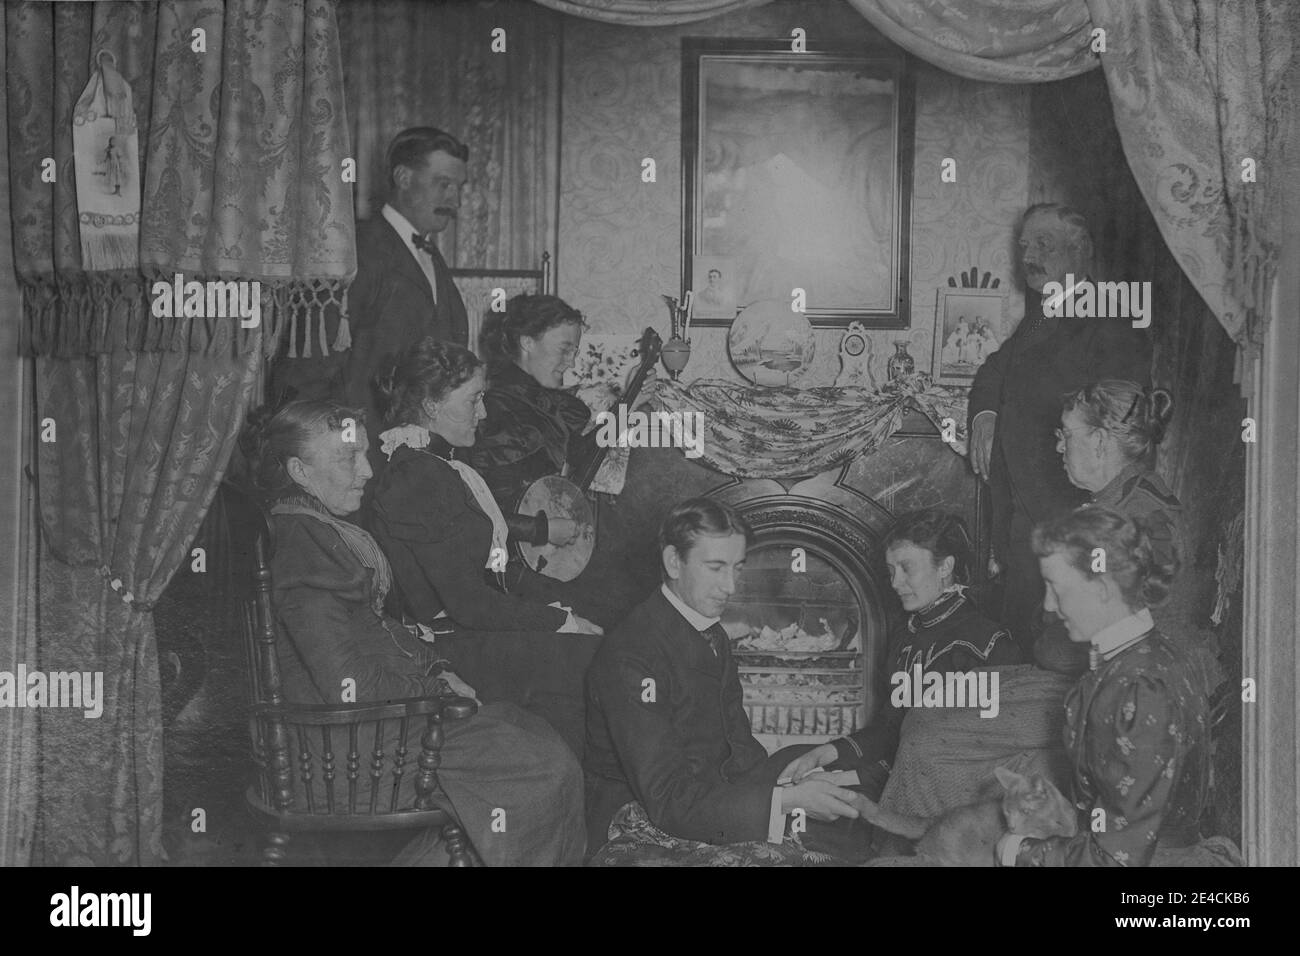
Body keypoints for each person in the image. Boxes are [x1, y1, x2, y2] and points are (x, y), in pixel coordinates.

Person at [241, 397, 586, 866]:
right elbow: (348, 685)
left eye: (365, 453)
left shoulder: (313, 527)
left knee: (524, 731)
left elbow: (380, 629)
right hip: (343, 752)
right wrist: (433, 692)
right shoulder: (305, 545)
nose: (365, 470)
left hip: (363, 733)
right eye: (348, 458)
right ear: (300, 470)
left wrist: (439, 669)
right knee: (542, 766)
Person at [584, 497, 868, 865]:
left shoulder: (711, 633)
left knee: (851, 817)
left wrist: (795, 779)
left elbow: (739, 748)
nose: (730, 586)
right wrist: (785, 802)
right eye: (715, 567)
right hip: (639, 818)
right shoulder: (632, 654)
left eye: (736, 568)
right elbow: (668, 800)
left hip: (705, 797)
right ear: (674, 561)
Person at [363, 337, 603, 762]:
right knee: (588, 660)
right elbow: (469, 604)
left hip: (471, 633)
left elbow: (498, 570)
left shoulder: (442, 468)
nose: (485, 412)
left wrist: (564, 604)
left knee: (600, 625)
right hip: (449, 649)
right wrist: (560, 622)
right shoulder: (416, 477)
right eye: (474, 399)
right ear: (432, 405)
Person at [995, 505, 1240, 866]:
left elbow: (1118, 857)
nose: (1048, 606)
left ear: (1103, 588)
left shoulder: (1142, 687)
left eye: (1056, 589)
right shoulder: (1141, 657)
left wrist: (1020, 852)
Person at [968, 203, 1152, 656]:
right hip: (1019, 520)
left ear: (1081, 250)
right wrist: (985, 415)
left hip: (1066, 521)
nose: (1029, 254)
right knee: (1018, 651)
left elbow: (1117, 426)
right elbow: (994, 372)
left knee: (1054, 654)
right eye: (1025, 244)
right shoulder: (1040, 316)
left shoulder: (1111, 318)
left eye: (1043, 244)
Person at [778, 510, 1022, 799]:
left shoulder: (985, 646)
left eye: (907, 568)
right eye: (892, 571)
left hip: (948, 799)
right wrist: (825, 754)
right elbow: (890, 727)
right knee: (791, 758)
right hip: (897, 775)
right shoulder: (906, 636)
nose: (895, 583)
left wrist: (847, 779)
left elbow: (960, 759)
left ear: (945, 567)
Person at [273, 126, 470, 472]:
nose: (455, 200)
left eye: (459, 188)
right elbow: (313, 366)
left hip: (416, 460)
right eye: (443, 184)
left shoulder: (431, 257)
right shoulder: (359, 249)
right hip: (362, 459)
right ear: (403, 177)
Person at [469, 293, 646, 628]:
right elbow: (481, 513)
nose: (571, 362)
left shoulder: (542, 403)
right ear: (527, 343)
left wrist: (628, 405)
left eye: (574, 351)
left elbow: (580, 459)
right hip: (505, 570)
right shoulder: (496, 408)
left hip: (538, 554)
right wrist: (543, 529)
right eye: (564, 348)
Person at [1038, 381, 1220, 692]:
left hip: (1154, 687)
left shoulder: (1141, 513)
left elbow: (1137, 630)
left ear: (1099, 441)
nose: (1059, 446)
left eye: (1066, 435)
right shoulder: (1122, 497)